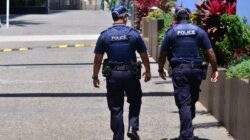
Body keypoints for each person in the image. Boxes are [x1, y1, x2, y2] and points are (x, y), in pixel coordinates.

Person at [158, 7, 219, 140]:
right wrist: (215, 69)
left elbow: (163, 53)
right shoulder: (199, 31)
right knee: (191, 100)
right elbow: (210, 52)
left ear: (176, 17)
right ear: (189, 16)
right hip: (196, 71)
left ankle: (186, 136)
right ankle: (186, 132)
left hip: (180, 71)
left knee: (184, 102)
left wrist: (160, 68)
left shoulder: (171, 32)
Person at [92, 6, 151, 140]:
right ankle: (132, 126)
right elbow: (143, 54)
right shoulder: (133, 33)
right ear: (124, 17)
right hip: (131, 75)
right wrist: (148, 70)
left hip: (113, 76)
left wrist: (95, 76)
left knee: (116, 107)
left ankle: (118, 137)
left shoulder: (105, 35)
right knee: (135, 100)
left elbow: (98, 59)